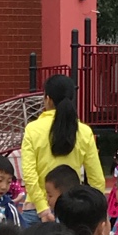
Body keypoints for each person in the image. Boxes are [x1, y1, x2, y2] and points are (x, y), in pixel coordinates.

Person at [20, 73, 107, 222]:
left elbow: (29, 174)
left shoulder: (32, 129)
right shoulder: (84, 131)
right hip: (72, 208)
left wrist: (42, 208)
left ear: (48, 99)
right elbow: (96, 178)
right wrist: (96, 211)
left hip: (36, 210)